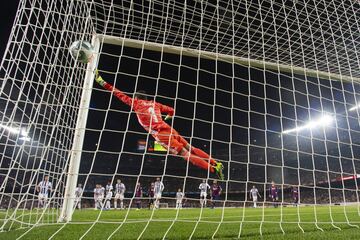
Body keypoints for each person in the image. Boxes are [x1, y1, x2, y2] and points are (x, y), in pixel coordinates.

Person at [94, 70, 224, 180]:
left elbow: (118, 93)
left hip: (161, 135)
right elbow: (172, 110)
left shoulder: (136, 103)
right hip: (169, 129)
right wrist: (167, 117)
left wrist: (101, 81)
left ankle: (212, 170)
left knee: (185, 154)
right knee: (191, 147)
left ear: (137, 98)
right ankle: (215, 163)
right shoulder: (154, 104)